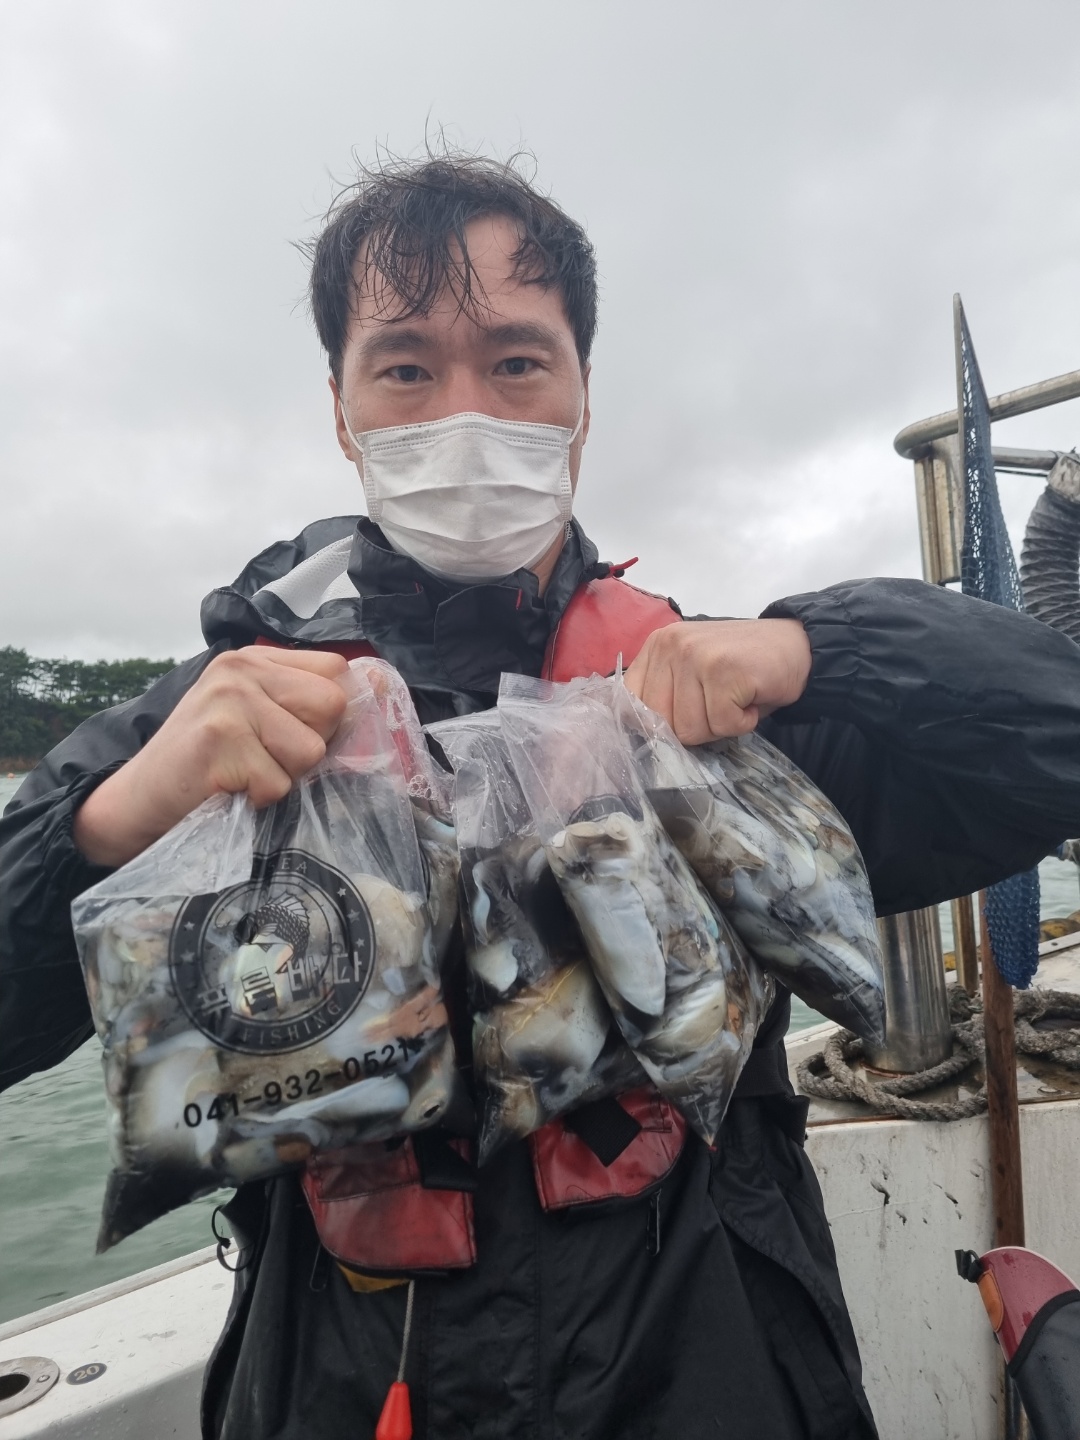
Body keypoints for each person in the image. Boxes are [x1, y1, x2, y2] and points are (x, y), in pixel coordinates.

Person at [3, 153, 1080, 1440]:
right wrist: (106, 822)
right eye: (406, 368)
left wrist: (820, 648)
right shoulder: (215, 720)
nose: (464, 413)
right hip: (344, 1375)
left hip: (708, 1358)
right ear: (343, 412)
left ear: (580, 400)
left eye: (517, 362)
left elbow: (1054, 742)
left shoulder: (704, 703)